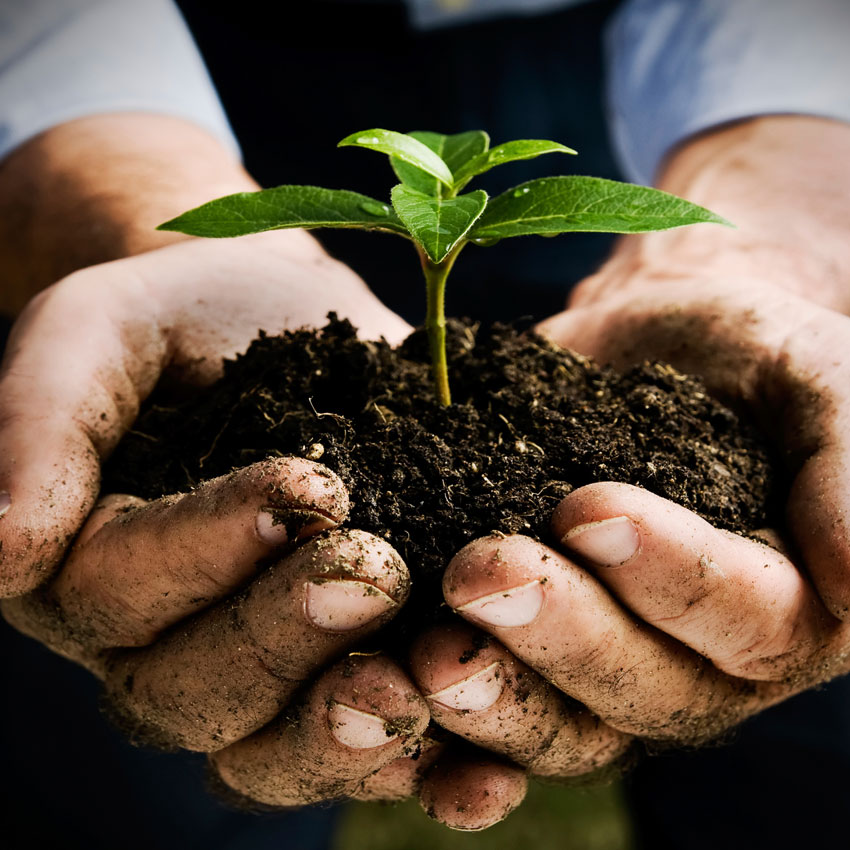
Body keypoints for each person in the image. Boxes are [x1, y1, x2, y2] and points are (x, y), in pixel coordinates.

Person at [1, 0, 849, 846]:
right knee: (146, 795)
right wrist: (111, 201)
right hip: (212, 76)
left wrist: (775, 237)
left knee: (799, 784)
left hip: (627, 68)